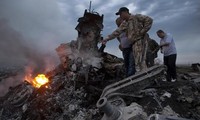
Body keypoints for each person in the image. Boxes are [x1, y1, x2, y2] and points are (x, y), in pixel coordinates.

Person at [102, 7, 153, 72]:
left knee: (140, 61)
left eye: (120, 14)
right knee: (138, 62)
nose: (120, 16)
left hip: (140, 41)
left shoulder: (136, 17)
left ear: (125, 12)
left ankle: (145, 76)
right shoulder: (125, 23)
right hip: (134, 43)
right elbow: (117, 32)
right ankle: (142, 75)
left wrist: (142, 32)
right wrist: (107, 38)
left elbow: (149, 20)